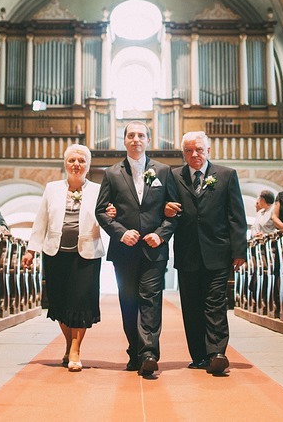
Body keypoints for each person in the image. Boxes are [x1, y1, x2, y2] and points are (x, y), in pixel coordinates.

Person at [95, 121, 177, 376]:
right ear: (124, 140)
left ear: (148, 140)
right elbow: (101, 211)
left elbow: (175, 211)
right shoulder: (112, 173)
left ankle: (149, 353)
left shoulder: (164, 171)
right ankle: (134, 351)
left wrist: (160, 235)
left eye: (141, 135)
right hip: (125, 251)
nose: (136, 139)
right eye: (131, 135)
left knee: (151, 300)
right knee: (128, 301)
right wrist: (121, 233)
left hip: (154, 250)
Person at [163, 131, 246, 375]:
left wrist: (239, 250)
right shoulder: (174, 176)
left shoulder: (226, 175)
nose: (194, 154)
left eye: (199, 149)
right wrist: (165, 208)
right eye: (189, 150)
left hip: (218, 250)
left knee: (215, 303)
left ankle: (217, 353)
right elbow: (166, 207)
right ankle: (199, 355)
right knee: (191, 305)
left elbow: (236, 215)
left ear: (208, 151)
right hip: (187, 251)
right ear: (183, 153)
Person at [23, 145, 104, 372]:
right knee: (61, 302)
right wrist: (31, 250)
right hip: (55, 253)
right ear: (65, 163)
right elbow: (41, 221)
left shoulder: (98, 190)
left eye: (81, 160)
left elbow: (106, 216)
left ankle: (76, 350)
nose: (76, 164)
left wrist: (111, 214)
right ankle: (69, 344)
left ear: (88, 165)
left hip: (86, 255)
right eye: (72, 160)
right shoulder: (52, 188)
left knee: (80, 303)